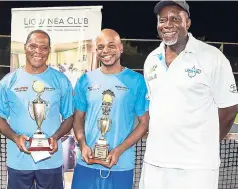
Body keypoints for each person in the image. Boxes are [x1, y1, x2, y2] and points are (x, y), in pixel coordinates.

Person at [139, 1, 238, 189]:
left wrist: (204, 145)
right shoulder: (151, 59)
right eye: (162, 20)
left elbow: (229, 110)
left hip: (196, 168)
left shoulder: (212, 57)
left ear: (188, 23)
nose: (167, 24)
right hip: (154, 162)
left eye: (175, 18)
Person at [0, 29, 74, 189]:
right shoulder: (8, 81)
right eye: (33, 46)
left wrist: (56, 137)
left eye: (44, 47)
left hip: (50, 162)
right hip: (19, 162)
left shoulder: (61, 81)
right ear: (25, 48)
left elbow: (69, 117)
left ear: (49, 50)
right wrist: (16, 137)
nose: (38, 51)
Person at [71, 29, 149, 189]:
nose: (105, 51)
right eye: (100, 47)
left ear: (121, 48)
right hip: (87, 165)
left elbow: (144, 123)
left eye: (111, 45)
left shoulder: (136, 81)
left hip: (120, 166)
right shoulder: (85, 80)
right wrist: (82, 144)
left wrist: (119, 150)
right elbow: (78, 117)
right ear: (96, 50)